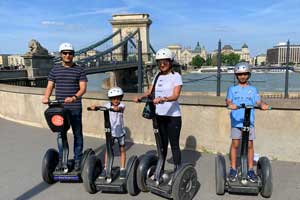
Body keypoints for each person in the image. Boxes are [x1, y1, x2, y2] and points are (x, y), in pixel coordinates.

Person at [134, 48, 183, 178]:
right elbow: (150, 92)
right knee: (161, 145)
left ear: (170, 62)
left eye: (165, 62)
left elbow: (176, 95)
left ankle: (177, 170)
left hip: (173, 117)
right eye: (160, 62)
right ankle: (160, 169)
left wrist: (163, 99)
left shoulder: (176, 76)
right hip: (159, 116)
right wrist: (140, 97)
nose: (162, 65)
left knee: (174, 144)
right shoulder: (157, 76)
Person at [42, 42, 87, 172]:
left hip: (75, 107)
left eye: (70, 53)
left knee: (77, 134)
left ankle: (78, 160)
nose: (68, 55)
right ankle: (63, 160)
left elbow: (83, 88)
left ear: (73, 55)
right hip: (59, 108)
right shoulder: (55, 69)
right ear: (61, 54)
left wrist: (74, 97)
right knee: (61, 135)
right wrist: (46, 97)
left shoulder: (80, 69)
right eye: (65, 53)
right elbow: (50, 86)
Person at [226, 62, 269, 183]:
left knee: (250, 145)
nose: (242, 76)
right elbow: (228, 101)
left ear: (248, 75)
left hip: (249, 122)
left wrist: (263, 105)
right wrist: (231, 105)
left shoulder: (253, 89)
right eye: (240, 74)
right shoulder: (232, 89)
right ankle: (233, 168)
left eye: (245, 74)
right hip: (236, 121)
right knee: (235, 144)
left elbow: (258, 101)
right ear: (236, 75)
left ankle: (250, 170)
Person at [89, 87, 127, 179]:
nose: (116, 100)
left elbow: (120, 108)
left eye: (118, 98)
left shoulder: (122, 105)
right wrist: (95, 107)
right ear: (110, 99)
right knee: (108, 150)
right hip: (110, 132)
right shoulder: (107, 105)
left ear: (121, 98)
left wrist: (116, 108)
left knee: (122, 149)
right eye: (114, 98)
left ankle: (122, 169)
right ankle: (106, 168)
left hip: (120, 132)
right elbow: (101, 107)